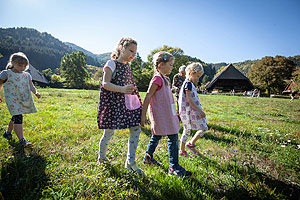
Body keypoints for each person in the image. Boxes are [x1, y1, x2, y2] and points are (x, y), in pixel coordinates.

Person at [96, 37, 144, 176]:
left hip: (126, 105)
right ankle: (102, 157)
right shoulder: (111, 63)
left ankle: (130, 162)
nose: (133, 55)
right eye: (131, 51)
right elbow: (105, 83)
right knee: (109, 131)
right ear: (121, 47)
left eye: (135, 53)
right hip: (113, 105)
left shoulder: (128, 67)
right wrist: (122, 89)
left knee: (135, 128)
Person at [141, 51, 192, 178]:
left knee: (158, 136)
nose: (172, 67)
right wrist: (143, 115)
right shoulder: (157, 79)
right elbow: (148, 96)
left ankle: (148, 157)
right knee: (171, 137)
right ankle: (173, 167)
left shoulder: (166, 79)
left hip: (168, 114)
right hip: (160, 114)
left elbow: (167, 98)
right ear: (160, 65)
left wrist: (176, 112)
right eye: (170, 64)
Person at [0, 52, 41, 147]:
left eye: (24, 65)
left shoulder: (27, 75)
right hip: (12, 99)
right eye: (20, 65)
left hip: (22, 99)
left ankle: (7, 133)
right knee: (18, 116)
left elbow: (31, 85)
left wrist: (36, 92)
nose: (22, 67)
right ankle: (22, 140)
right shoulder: (6, 74)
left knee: (15, 116)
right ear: (12, 62)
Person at [178, 63, 208, 157]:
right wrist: (199, 111)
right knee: (189, 129)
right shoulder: (188, 84)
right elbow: (189, 100)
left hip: (190, 111)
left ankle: (189, 145)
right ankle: (183, 149)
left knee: (201, 128)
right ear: (191, 73)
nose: (198, 79)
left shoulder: (189, 84)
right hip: (189, 112)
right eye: (197, 76)